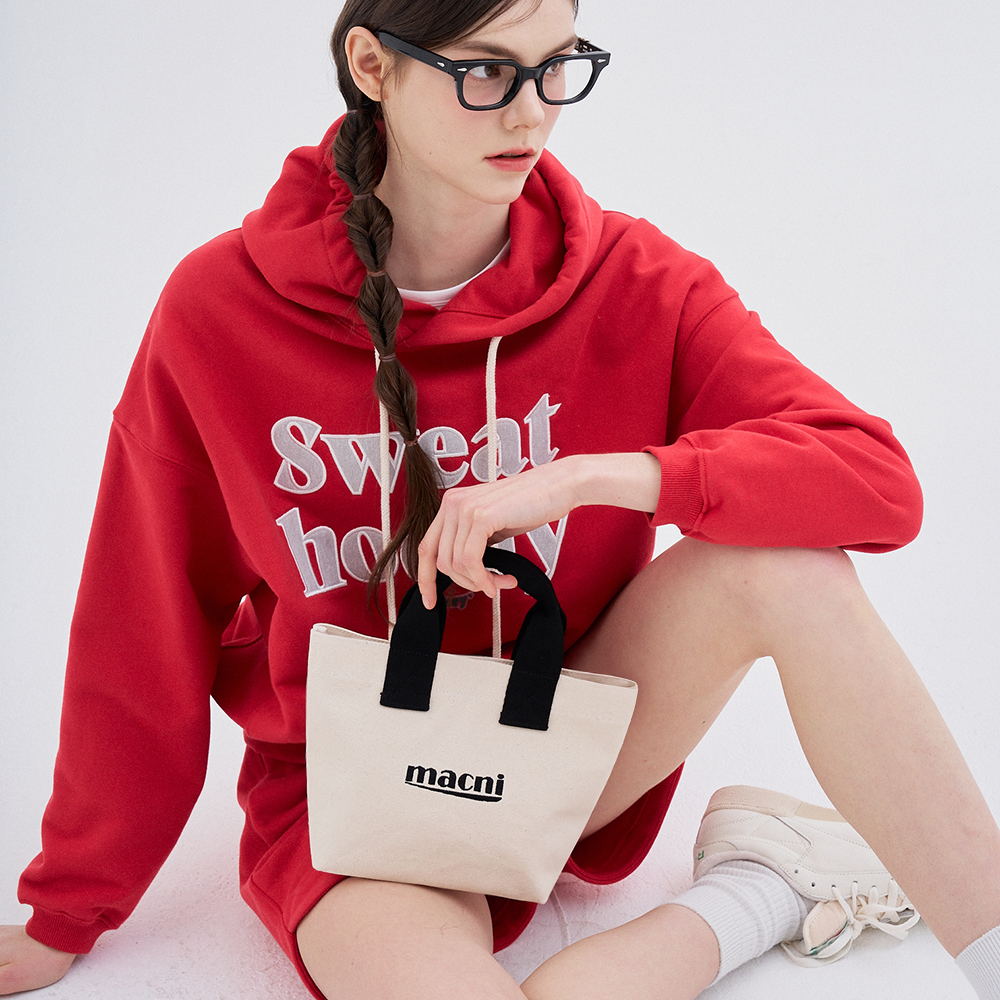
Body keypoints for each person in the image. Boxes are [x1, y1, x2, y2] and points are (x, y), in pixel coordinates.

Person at [2, 0, 1000, 997]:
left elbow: (874, 481)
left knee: (788, 568)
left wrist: (596, 477)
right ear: (372, 65)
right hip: (357, 801)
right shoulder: (220, 311)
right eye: (485, 72)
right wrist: (68, 913)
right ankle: (761, 887)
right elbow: (143, 623)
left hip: (562, 737)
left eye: (556, 66)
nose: (531, 113)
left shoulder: (635, 279)